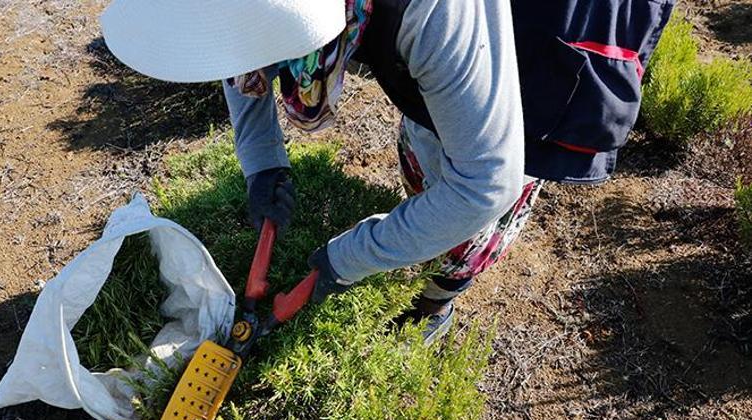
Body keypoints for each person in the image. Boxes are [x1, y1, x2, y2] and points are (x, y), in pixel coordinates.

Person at [101, 0, 674, 346]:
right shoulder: (275, 19)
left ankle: (435, 303)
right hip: (428, 35)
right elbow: (236, 46)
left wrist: (345, 260)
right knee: (430, 147)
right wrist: (262, 163)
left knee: (485, 196)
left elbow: (485, 181)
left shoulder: (430, 11)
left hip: (545, 34)